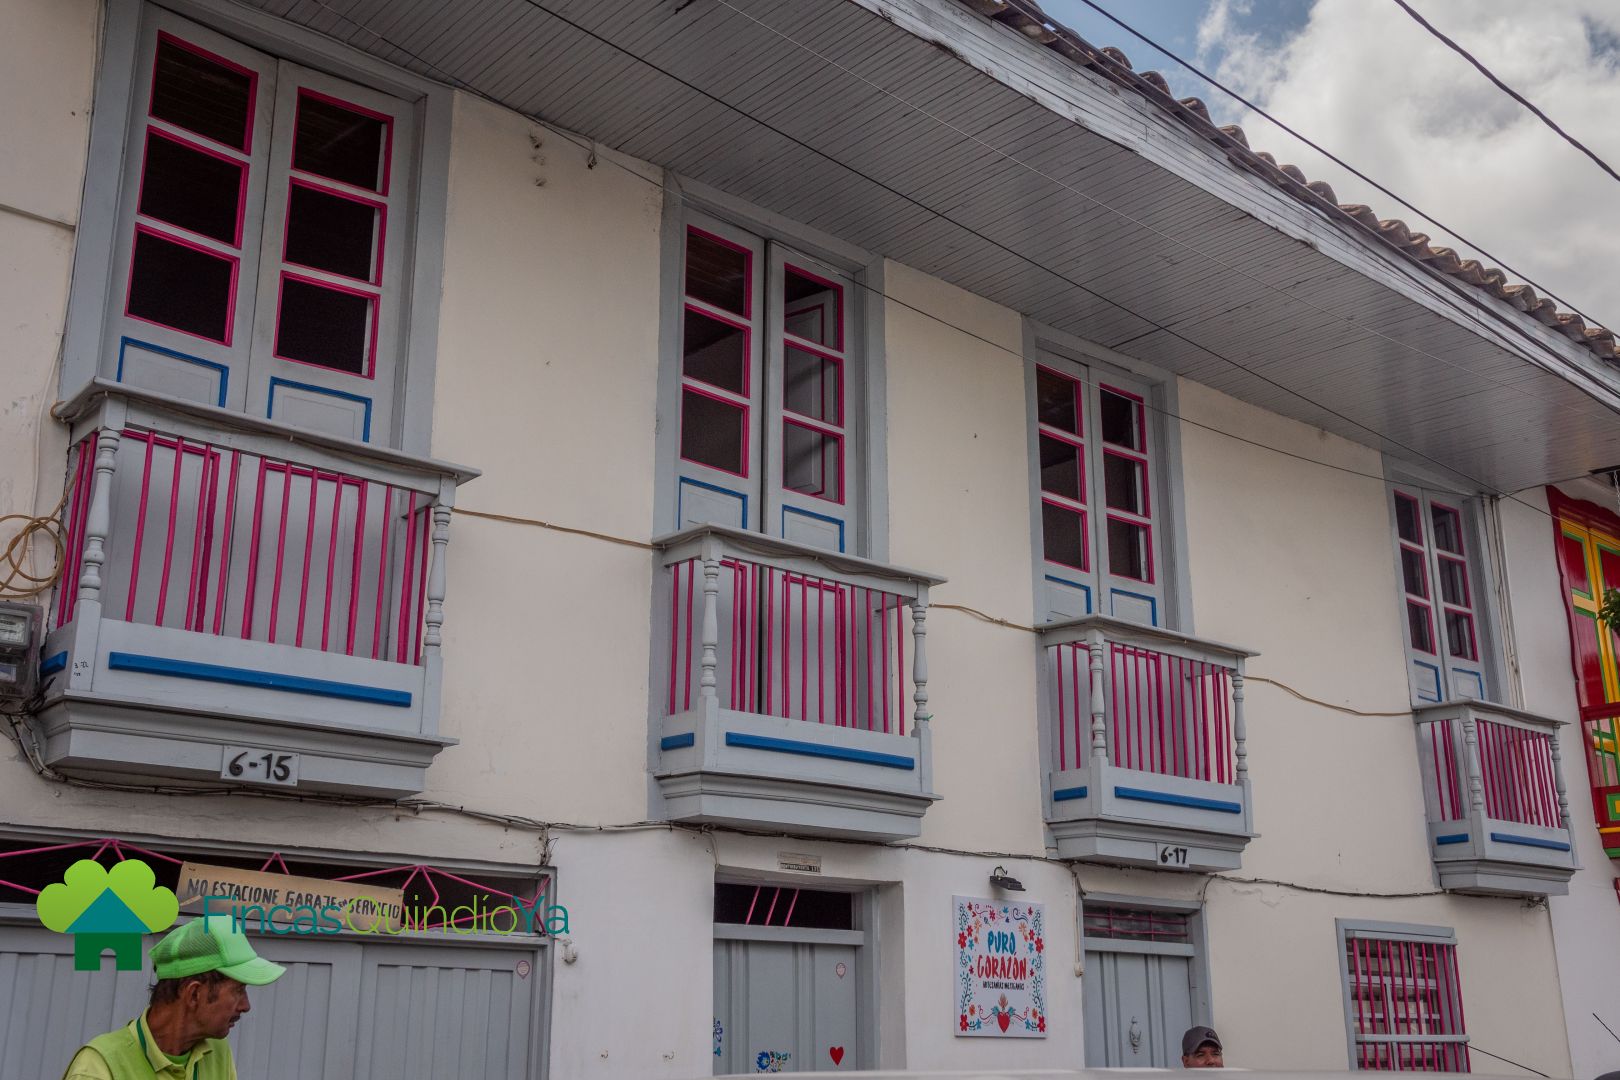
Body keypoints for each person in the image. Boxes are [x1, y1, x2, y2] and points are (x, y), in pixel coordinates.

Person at [62, 916, 285, 1079]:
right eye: (238, 990)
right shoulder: (99, 1066)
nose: (246, 1006)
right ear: (194, 994)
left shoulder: (216, 1053)